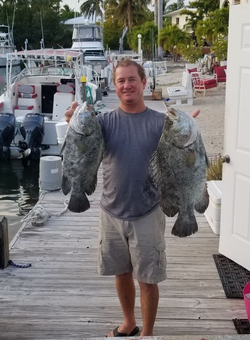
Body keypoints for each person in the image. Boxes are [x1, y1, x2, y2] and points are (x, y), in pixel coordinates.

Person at [65, 59, 200, 337]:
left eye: (132, 80)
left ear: (143, 83)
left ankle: (147, 333)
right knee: (121, 273)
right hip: (111, 212)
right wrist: (71, 121)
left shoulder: (161, 123)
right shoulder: (103, 123)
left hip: (148, 213)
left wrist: (191, 132)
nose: (126, 85)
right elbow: (83, 143)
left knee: (148, 279)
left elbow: (182, 152)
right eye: (121, 81)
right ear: (115, 86)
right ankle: (129, 321)